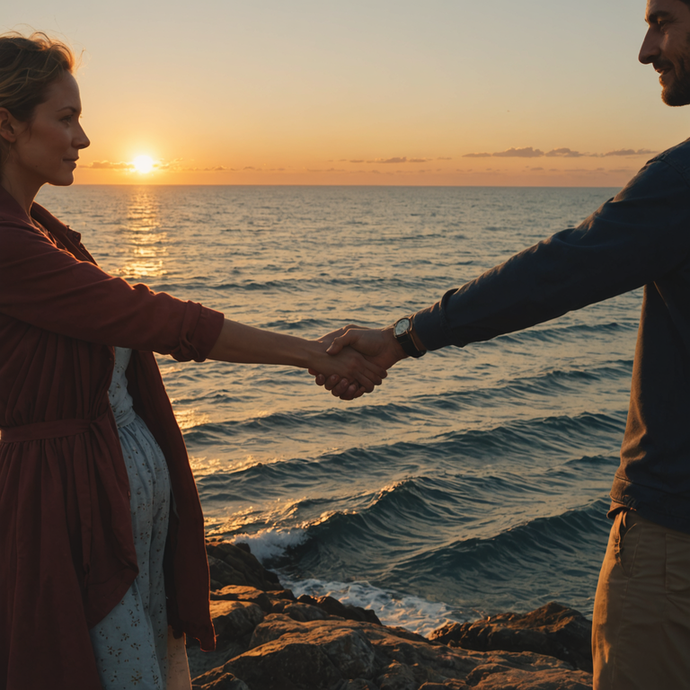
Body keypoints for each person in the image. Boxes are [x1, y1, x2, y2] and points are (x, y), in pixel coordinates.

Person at [315, 0, 690, 687]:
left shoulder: (683, 181)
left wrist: (406, 336)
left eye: (663, 20)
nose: (645, 48)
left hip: (674, 539)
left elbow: (562, 269)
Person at [0, 32, 385, 690]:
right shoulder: (12, 247)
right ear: (6, 124)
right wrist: (311, 354)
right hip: (69, 515)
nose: (84, 139)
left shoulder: (45, 232)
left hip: (109, 503)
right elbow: (155, 319)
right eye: (66, 119)